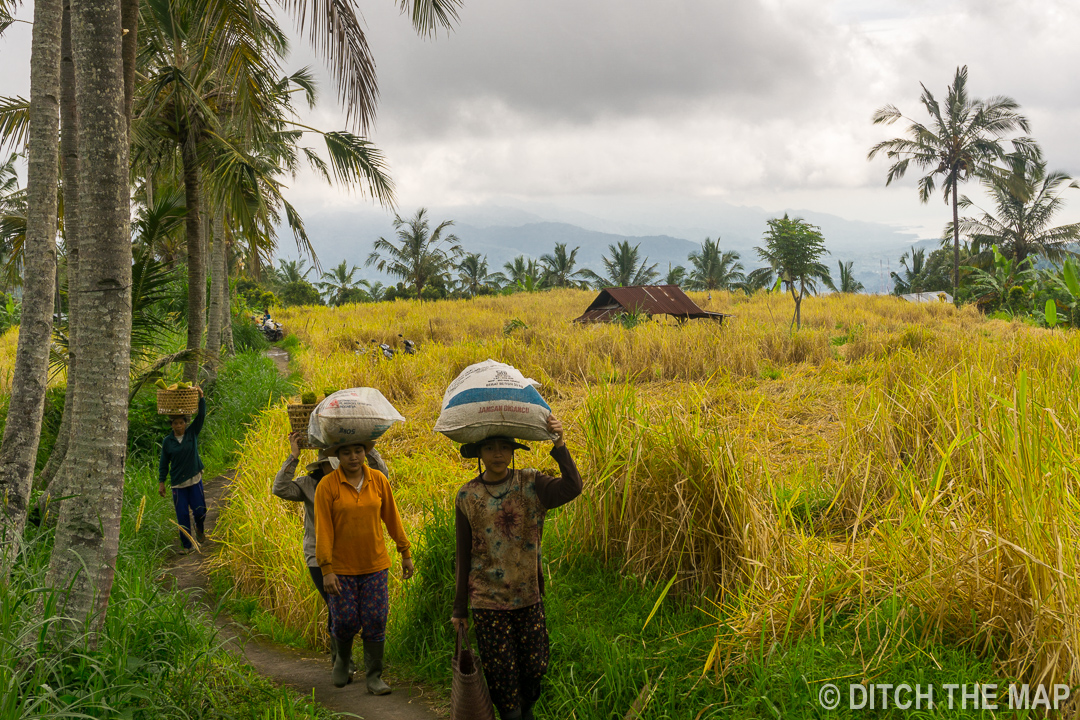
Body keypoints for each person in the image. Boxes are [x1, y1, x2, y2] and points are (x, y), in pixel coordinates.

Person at [451, 415, 582, 720]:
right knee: (501, 676)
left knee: (535, 668)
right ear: (480, 454)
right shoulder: (467, 496)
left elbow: (573, 487)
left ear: (513, 452)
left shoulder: (532, 483)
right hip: (487, 601)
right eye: (489, 448)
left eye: (504, 447)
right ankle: (512, 714)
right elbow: (463, 555)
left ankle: (526, 711)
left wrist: (559, 443)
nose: (497, 454)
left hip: (527, 596)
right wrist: (460, 609)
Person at [272, 431, 391, 674]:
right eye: (328, 464)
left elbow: (383, 477)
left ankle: (343, 661)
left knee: (343, 609)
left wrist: (368, 446)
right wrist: (293, 456)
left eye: (333, 465)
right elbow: (280, 488)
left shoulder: (362, 479)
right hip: (319, 556)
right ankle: (341, 661)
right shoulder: (309, 484)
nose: (333, 469)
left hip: (354, 556)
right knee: (337, 605)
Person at [314, 439, 415, 693]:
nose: (353, 457)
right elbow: (323, 529)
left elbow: (393, 517)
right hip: (341, 568)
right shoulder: (328, 486)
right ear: (337, 456)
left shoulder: (378, 480)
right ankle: (343, 660)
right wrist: (326, 568)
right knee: (345, 619)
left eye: (358, 451)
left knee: (375, 619)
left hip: (375, 565)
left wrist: (405, 551)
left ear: (365, 452)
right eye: (345, 451)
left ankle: (373, 676)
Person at [158, 387, 207, 553]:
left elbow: (201, 416)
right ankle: (187, 546)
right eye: (175, 423)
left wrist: (201, 398)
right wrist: (161, 482)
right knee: (182, 517)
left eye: (181, 423)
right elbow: (163, 463)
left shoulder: (192, 433)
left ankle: (199, 528)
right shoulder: (168, 442)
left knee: (200, 510)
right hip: (178, 483)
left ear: (186, 423)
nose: (179, 426)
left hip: (194, 479)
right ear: (171, 425)